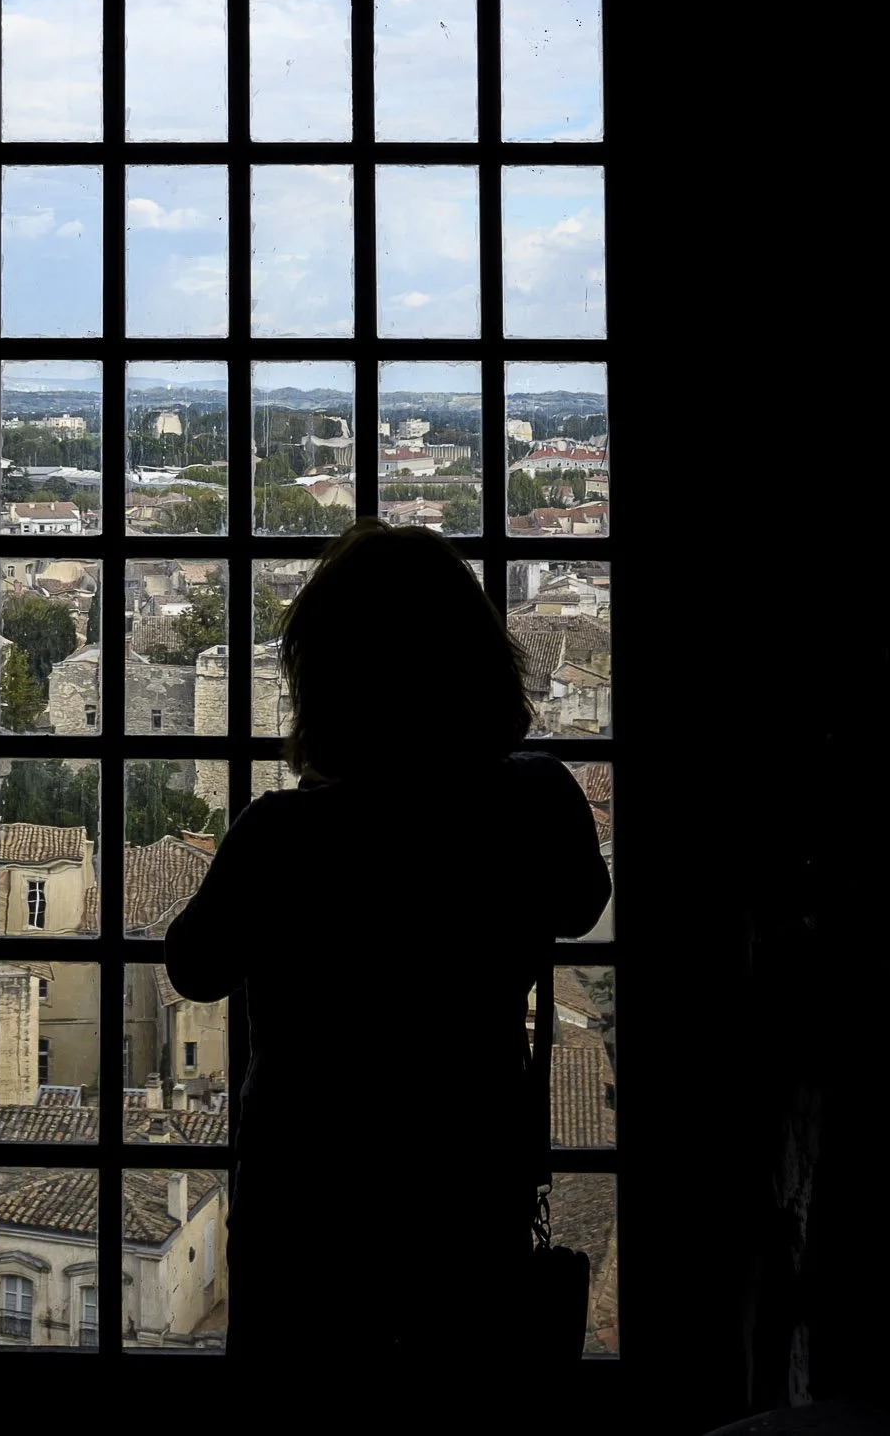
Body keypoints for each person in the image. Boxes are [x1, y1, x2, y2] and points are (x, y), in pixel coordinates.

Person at [161, 520, 612, 1398]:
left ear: (324, 680)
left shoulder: (285, 836)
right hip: (466, 1171)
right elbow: (580, 903)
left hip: (310, 1193)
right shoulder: (536, 800)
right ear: (481, 661)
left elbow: (193, 967)